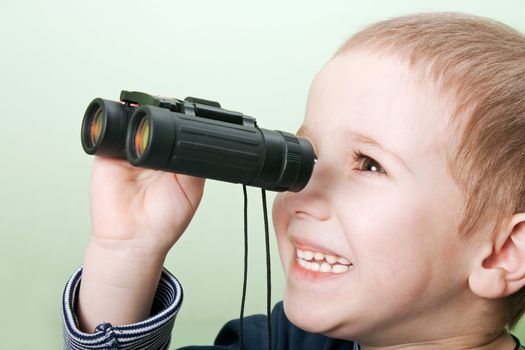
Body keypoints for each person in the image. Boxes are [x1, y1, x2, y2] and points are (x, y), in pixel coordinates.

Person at [63, 12, 525, 349]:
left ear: (504, 253)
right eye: (307, 155)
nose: (301, 187)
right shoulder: (285, 340)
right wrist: (124, 251)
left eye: (368, 164)